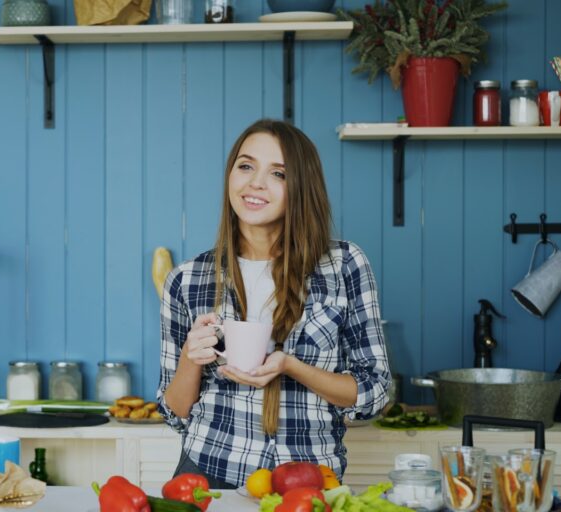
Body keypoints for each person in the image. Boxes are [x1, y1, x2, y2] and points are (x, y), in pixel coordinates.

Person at [156, 119, 391, 490]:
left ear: (301, 186)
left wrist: (290, 366)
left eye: (278, 173)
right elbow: (175, 412)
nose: (255, 183)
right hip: (207, 475)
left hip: (307, 479)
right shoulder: (188, 279)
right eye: (246, 166)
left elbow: (374, 393)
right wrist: (190, 358)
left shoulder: (344, 265)